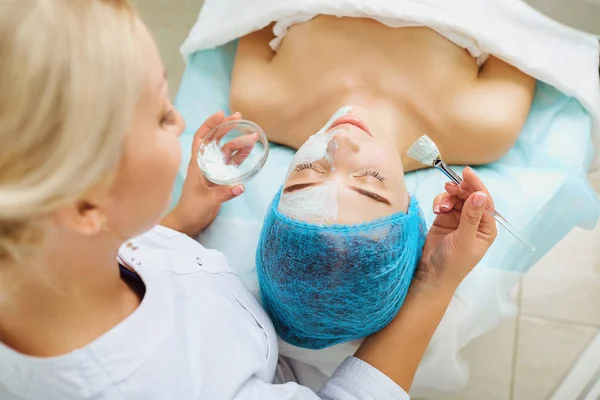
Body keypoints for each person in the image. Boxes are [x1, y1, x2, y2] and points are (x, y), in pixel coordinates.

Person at [0, 0, 496, 399]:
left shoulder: (50, 246)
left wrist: (175, 224)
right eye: (160, 118)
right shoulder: (170, 386)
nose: (181, 120)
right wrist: (432, 284)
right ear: (88, 207)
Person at [232, 16, 534, 350]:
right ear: (411, 206)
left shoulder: (258, 100)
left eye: (306, 173)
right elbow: (525, 23)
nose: (339, 144)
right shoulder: (486, 125)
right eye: (369, 181)